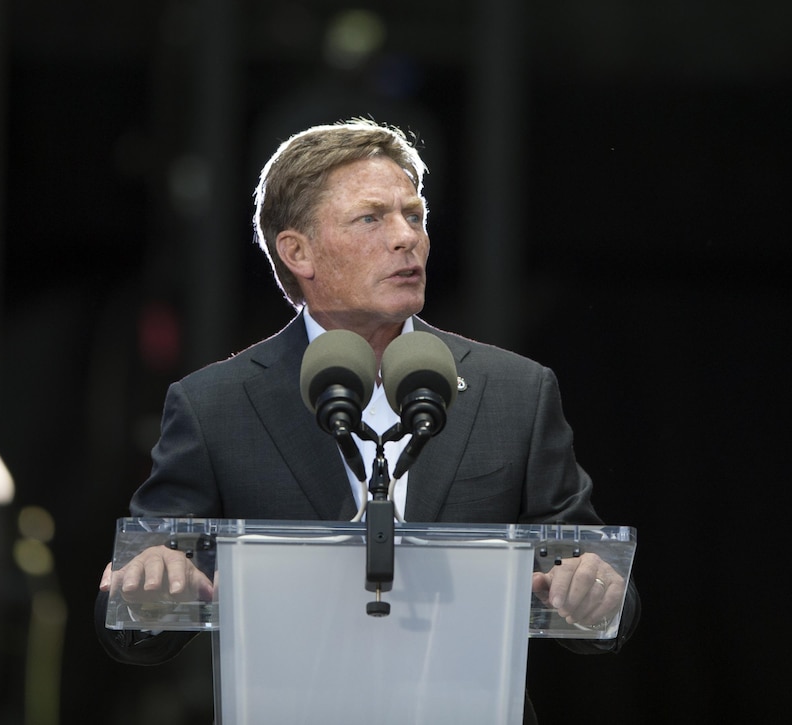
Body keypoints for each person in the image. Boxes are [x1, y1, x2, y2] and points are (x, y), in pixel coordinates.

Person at [96, 118, 639, 723]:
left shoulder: (515, 391)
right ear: (297, 251)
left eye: (415, 215)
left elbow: (590, 576)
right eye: (372, 218)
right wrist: (145, 589)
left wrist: (594, 593)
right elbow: (137, 605)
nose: (407, 238)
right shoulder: (215, 405)